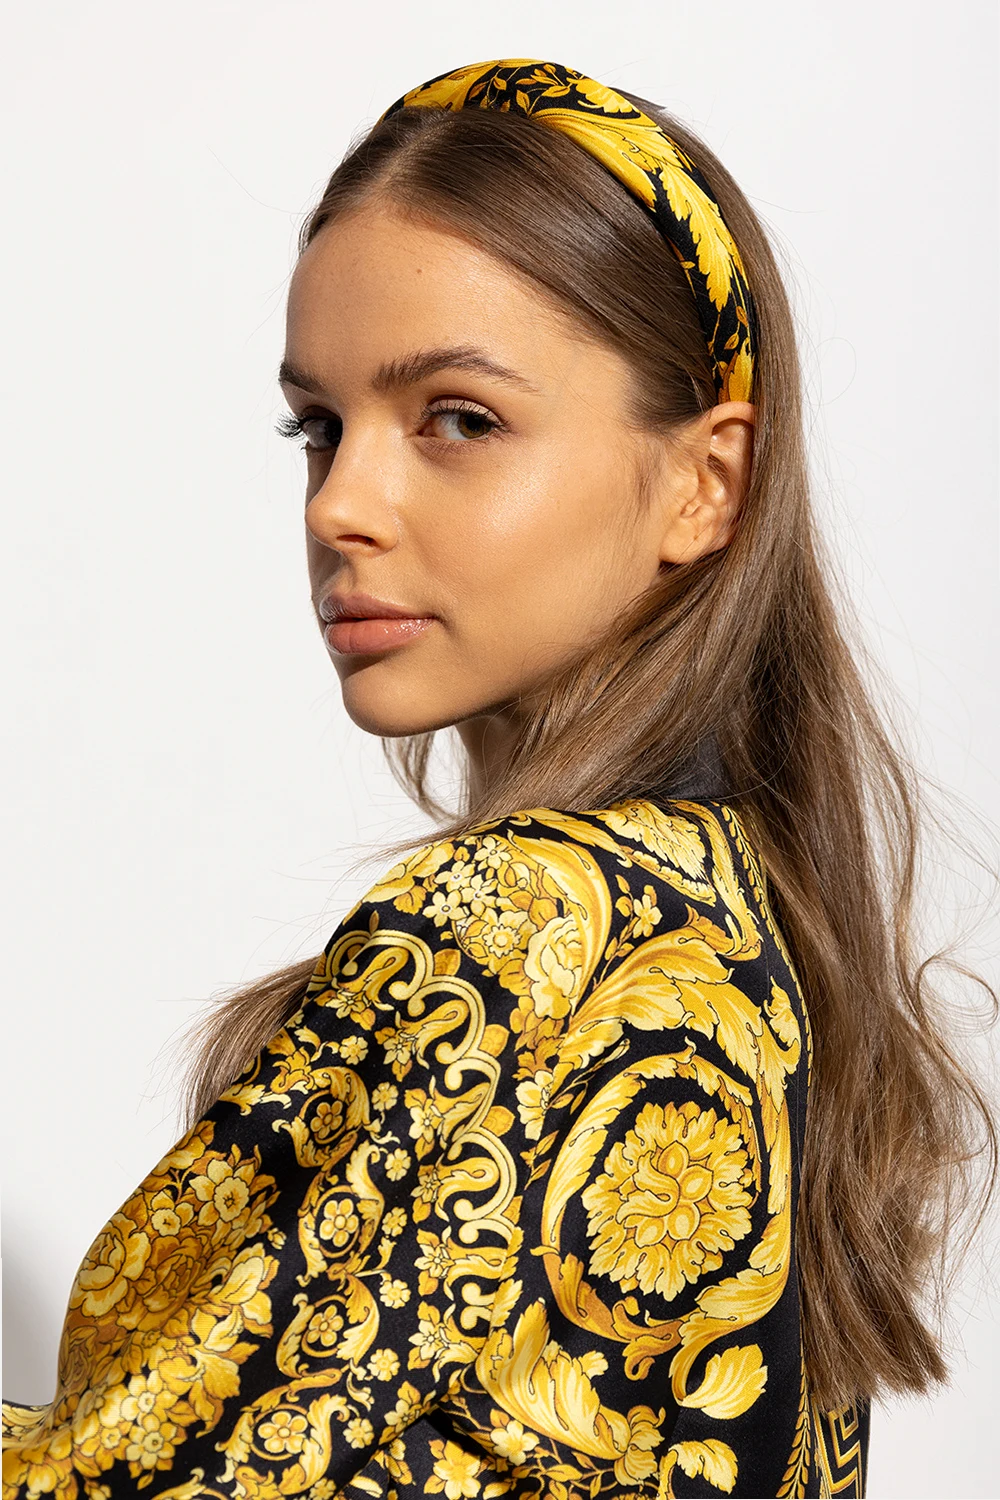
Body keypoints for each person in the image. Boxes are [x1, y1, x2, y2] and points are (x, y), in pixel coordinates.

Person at [2, 57, 994, 1500]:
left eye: (458, 419)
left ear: (706, 482)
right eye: (318, 428)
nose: (343, 505)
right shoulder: (754, 916)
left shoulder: (520, 930)